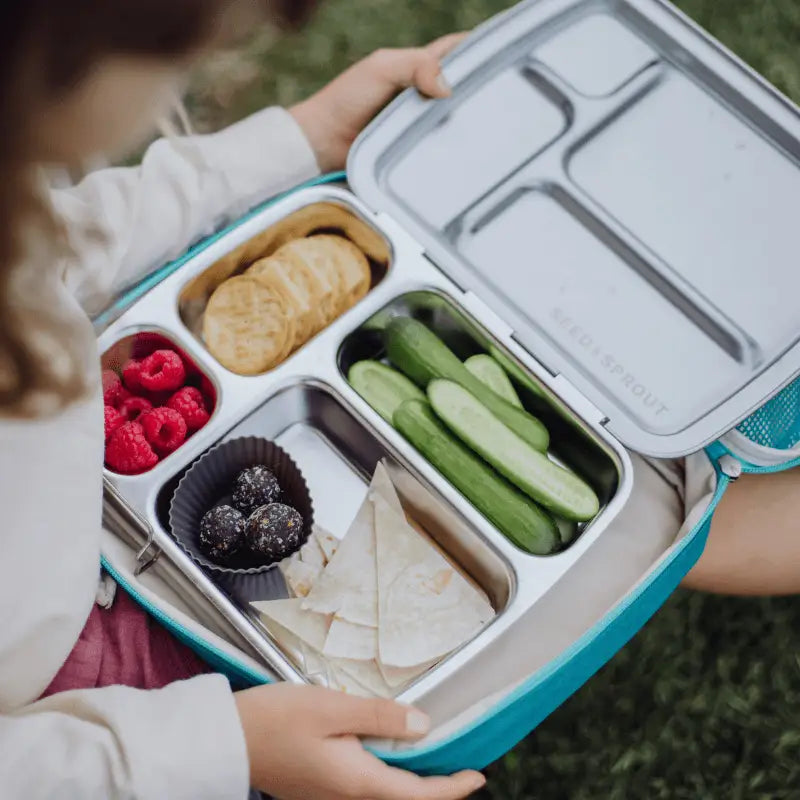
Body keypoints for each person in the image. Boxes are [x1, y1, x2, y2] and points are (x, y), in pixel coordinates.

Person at [0, 1, 485, 798]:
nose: (177, 88)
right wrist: (225, 755)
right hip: (55, 716)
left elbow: (58, 236)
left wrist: (298, 139)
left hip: (66, 576)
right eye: (181, 52)